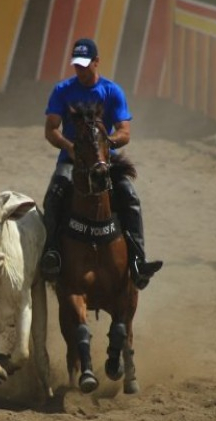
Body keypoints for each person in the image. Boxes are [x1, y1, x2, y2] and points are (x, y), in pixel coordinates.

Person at [40, 38, 162, 290]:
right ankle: (51, 253)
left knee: (130, 197)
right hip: (71, 159)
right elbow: (51, 129)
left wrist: (104, 145)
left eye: (85, 65)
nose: (81, 70)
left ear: (96, 62)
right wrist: (69, 147)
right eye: (77, 65)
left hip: (104, 157)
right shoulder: (62, 90)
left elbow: (125, 132)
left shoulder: (111, 91)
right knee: (53, 195)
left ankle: (138, 260)